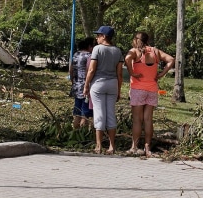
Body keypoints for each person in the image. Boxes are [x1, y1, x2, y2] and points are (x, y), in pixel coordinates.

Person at [124, 31, 174, 156]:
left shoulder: (135, 51)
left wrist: (132, 73)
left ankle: (134, 147)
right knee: (148, 120)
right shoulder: (156, 51)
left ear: (136, 40)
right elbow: (171, 59)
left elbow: (126, 58)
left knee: (137, 120)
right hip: (152, 89)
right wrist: (162, 74)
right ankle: (147, 148)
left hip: (137, 89)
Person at [83, 26, 123, 154]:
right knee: (111, 114)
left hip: (98, 84)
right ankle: (112, 146)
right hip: (113, 84)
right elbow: (120, 74)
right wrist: (119, 90)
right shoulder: (117, 51)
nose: (97, 37)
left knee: (99, 114)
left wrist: (86, 85)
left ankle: (99, 146)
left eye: (99, 35)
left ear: (104, 36)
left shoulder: (97, 49)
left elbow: (92, 69)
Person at [69, 37, 95, 129]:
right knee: (85, 114)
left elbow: (71, 70)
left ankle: (75, 131)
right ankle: (83, 134)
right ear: (89, 46)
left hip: (76, 87)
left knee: (77, 112)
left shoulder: (76, 54)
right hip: (86, 88)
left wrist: (73, 82)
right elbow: (90, 71)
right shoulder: (90, 56)